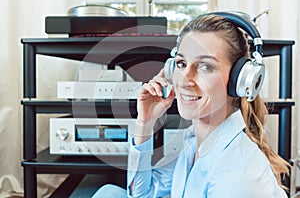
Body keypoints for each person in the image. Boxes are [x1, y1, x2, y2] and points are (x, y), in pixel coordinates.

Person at [93, 13, 290, 198]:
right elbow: (141, 193)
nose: (185, 80)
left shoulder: (236, 176)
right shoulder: (195, 141)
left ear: (239, 81)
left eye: (206, 66)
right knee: (108, 192)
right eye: (181, 63)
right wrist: (145, 123)